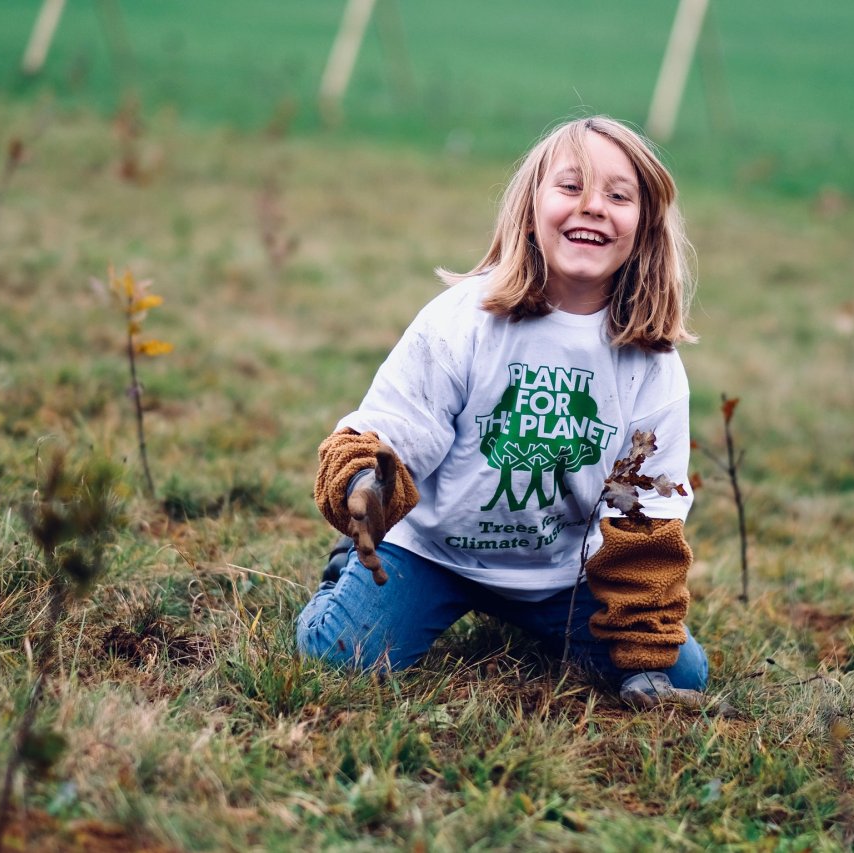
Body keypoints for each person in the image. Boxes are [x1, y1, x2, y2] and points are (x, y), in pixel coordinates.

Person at [296, 116, 710, 709]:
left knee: (682, 674)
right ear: (530, 206)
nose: (593, 207)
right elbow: (391, 430)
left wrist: (645, 651)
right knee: (338, 657)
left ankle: (542, 627)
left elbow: (644, 511)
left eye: (618, 196)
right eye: (571, 187)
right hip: (431, 552)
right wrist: (363, 482)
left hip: (560, 576)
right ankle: (346, 574)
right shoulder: (464, 319)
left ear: (643, 226)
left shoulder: (650, 363)